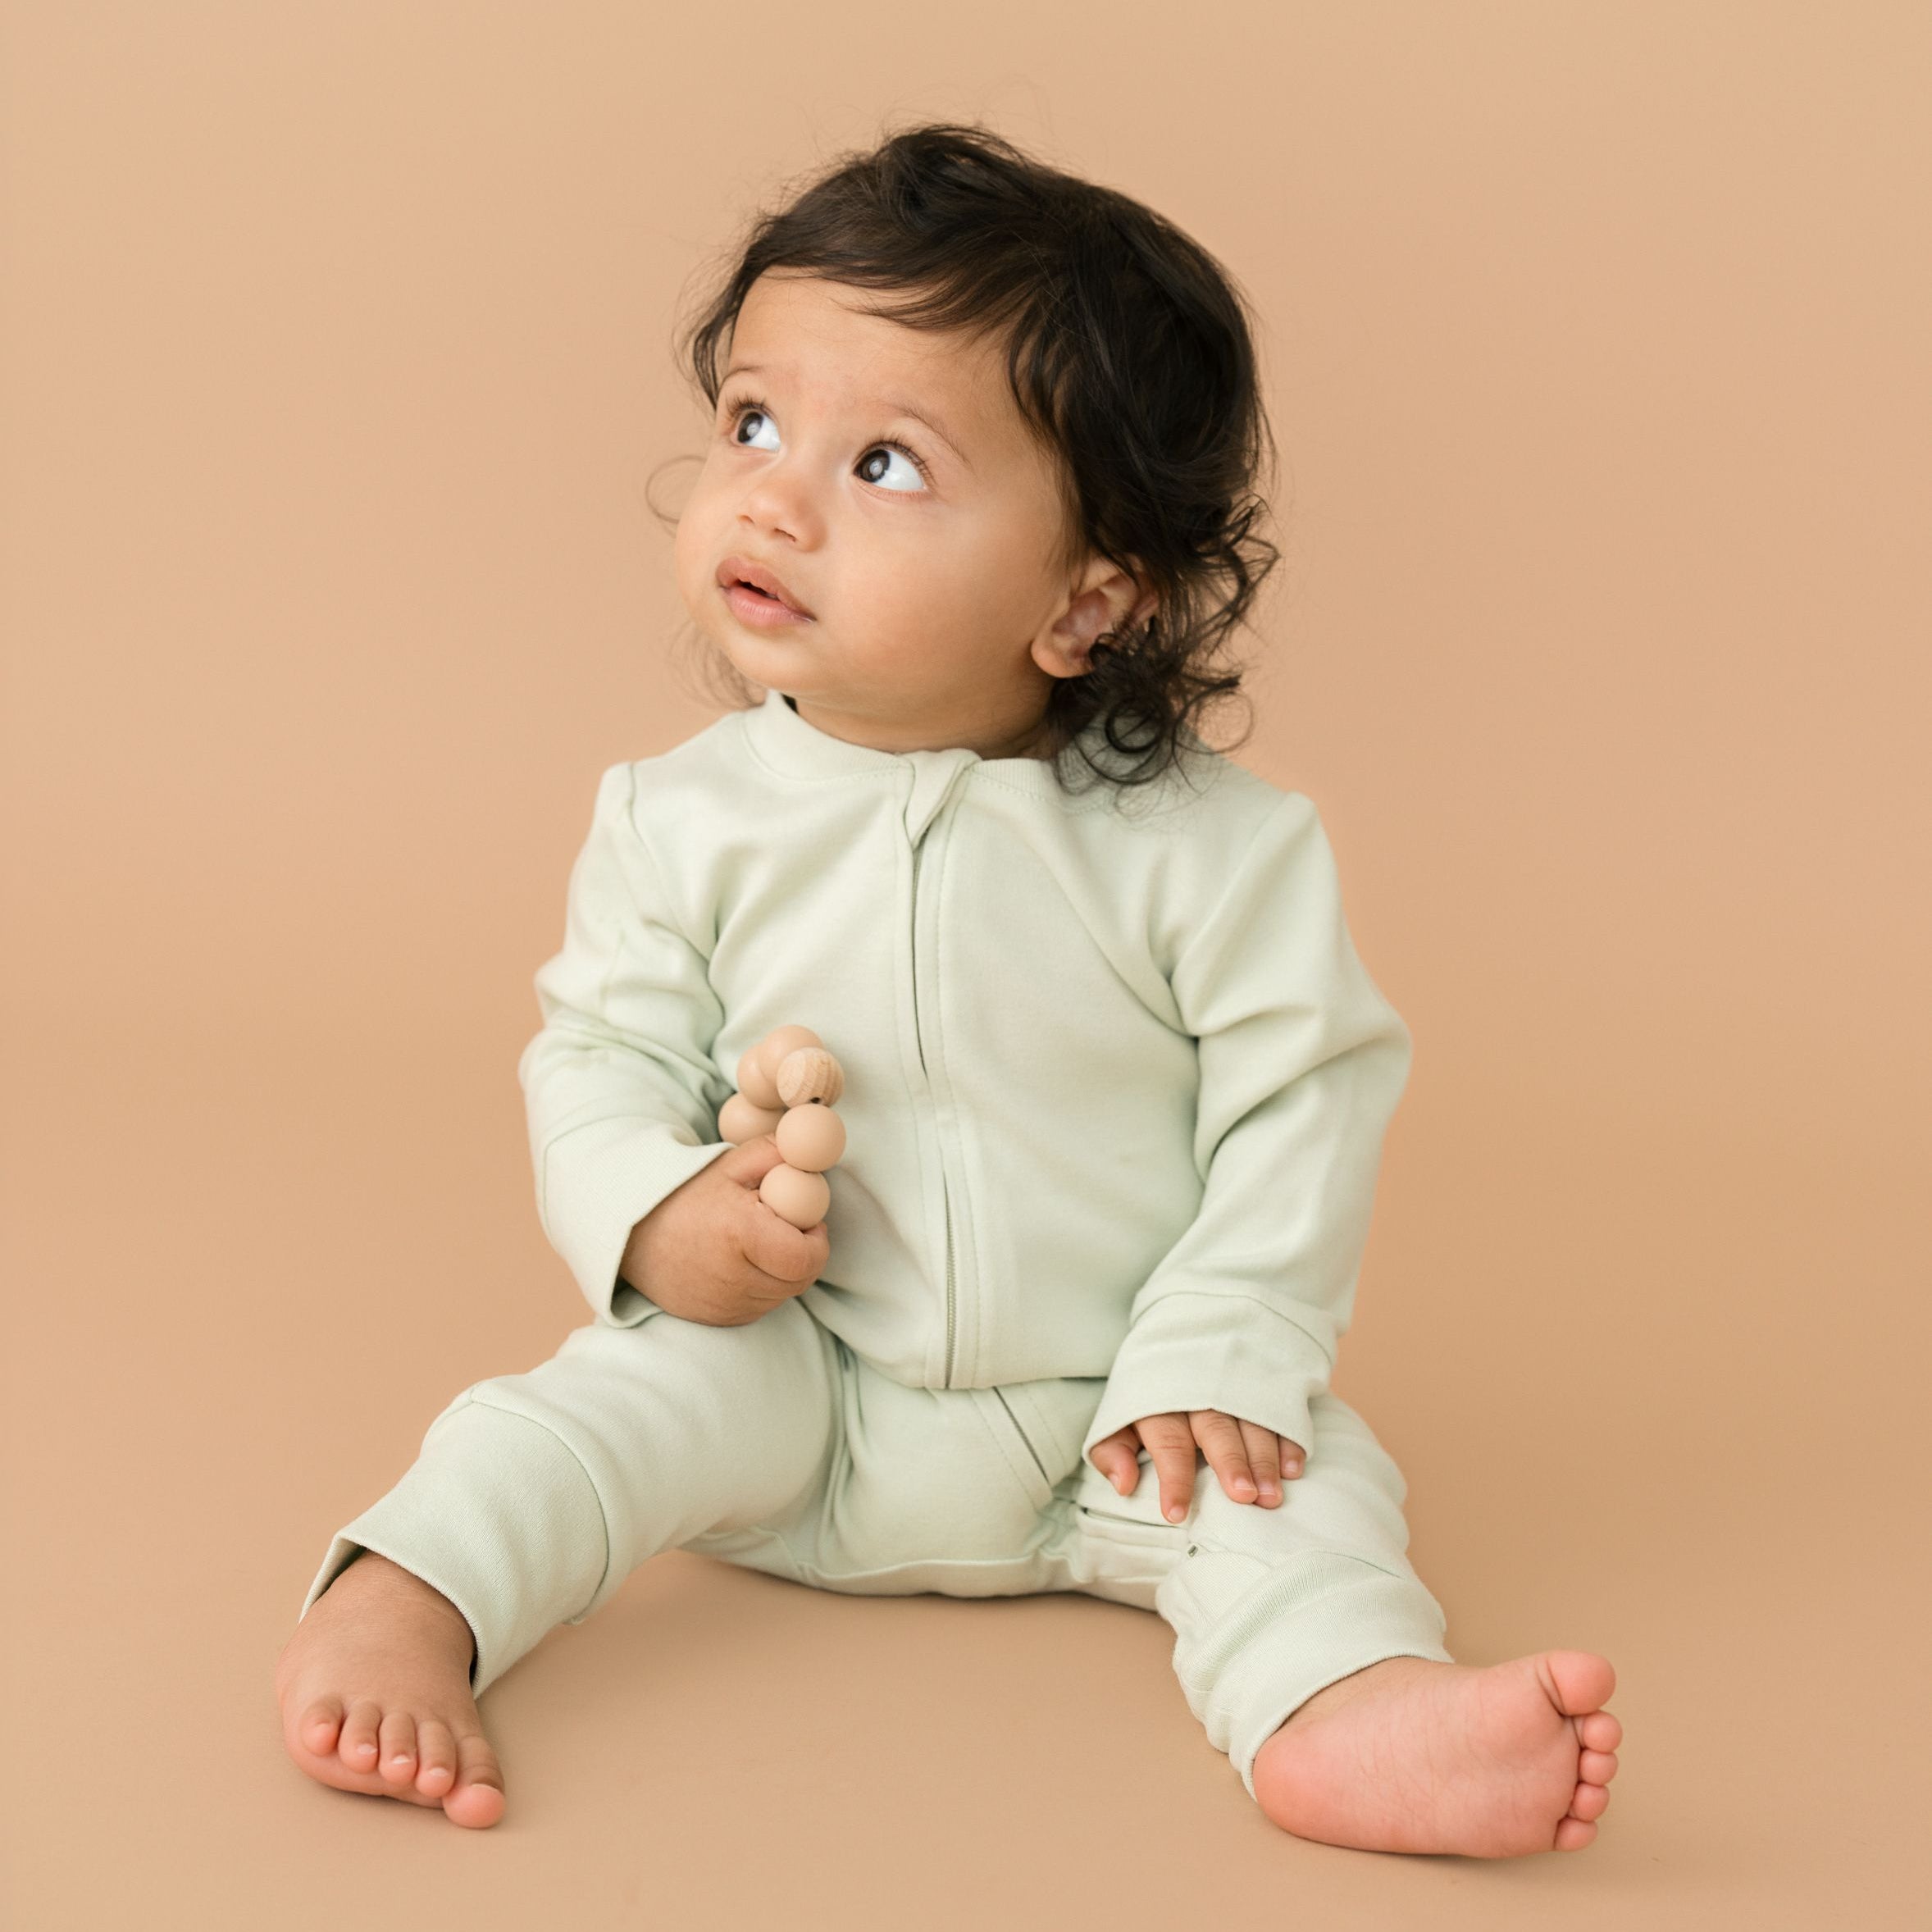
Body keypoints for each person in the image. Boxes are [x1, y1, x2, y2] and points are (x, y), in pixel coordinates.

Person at [274, 121, 1621, 1853]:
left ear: (1088, 597)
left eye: (883, 463)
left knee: (1303, 1495)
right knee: (580, 1418)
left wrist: (1216, 1346)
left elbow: (1304, 1097)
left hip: (1115, 1410)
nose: (766, 492)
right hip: (792, 1388)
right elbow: (596, 1052)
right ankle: (407, 1595)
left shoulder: (1217, 849)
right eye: (753, 422)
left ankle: (1339, 1705)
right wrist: (665, 1214)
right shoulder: (675, 816)